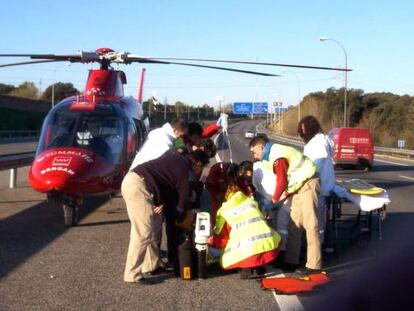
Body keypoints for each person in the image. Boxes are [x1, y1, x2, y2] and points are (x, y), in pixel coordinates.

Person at [122, 149, 210, 283]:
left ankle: (152, 265)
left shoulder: (178, 160)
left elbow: (166, 181)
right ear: (197, 163)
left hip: (138, 183)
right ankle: (131, 274)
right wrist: (180, 218)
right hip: (139, 186)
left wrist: (162, 203)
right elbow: (184, 197)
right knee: (143, 232)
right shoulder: (185, 169)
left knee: (154, 226)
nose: (199, 172)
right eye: (202, 168)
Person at [249, 136, 321, 275]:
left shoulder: (277, 156)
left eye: (254, 152)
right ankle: (291, 261)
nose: (254, 156)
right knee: (295, 224)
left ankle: (314, 266)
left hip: (309, 181)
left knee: (311, 224)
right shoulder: (273, 155)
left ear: (261, 147)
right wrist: (278, 200)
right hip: (298, 185)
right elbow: (288, 183)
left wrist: (274, 201)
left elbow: (281, 182)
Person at [128, 118, 187, 275]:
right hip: (142, 184)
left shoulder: (157, 134)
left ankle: (152, 263)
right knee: (146, 230)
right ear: (176, 131)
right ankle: (136, 271)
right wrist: (161, 200)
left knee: (153, 226)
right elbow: (162, 173)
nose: (181, 139)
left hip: (140, 180)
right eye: (181, 135)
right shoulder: (164, 145)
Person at [209, 164, 281, 279]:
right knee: (255, 244)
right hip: (266, 242)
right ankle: (258, 267)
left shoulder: (224, 209)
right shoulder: (250, 201)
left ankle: (246, 269)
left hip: (245, 248)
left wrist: (212, 242)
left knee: (236, 249)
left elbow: (219, 233)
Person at [298, 115, 336, 245]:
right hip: (318, 184)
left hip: (319, 186)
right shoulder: (317, 141)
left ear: (311, 128)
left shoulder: (319, 142)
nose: (303, 132)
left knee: (317, 221)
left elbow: (315, 164)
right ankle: (315, 244)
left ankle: (318, 246)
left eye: (304, 129)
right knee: (315, 219)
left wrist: (301, 176)